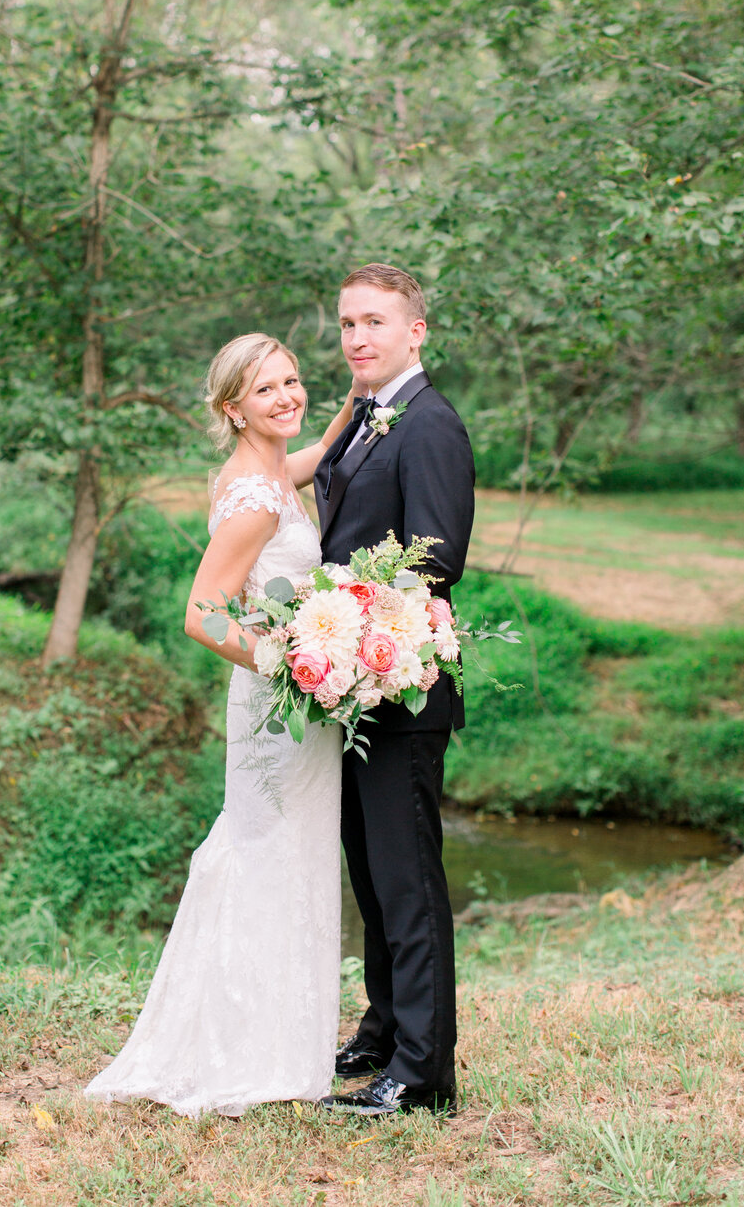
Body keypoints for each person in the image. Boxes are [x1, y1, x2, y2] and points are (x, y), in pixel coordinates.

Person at [85, 333, 357, 1117]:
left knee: (288, 855)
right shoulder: (250, 497)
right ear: (233, 407)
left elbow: (305, 461)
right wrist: (293, 664)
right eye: (266, 390)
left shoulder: (270, 470)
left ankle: (278, 1035)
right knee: (267, 855)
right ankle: (245, 1047)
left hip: (296, 703)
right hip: (279, 702)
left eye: (293, 382)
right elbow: (201, 616)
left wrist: (351, 406)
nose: (286, 397)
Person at [314, 263, 475, 1119]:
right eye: (346, 324)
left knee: (408, 881)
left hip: (402, 691)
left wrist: (347, 621)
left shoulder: (431, 426)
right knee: (374, 876)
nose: (357, 338)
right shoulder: (368, 421)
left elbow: (434, 560)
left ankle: (422, 1073)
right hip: (351, 687)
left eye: (374, 322)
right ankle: (383, 1028)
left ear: (415, 331)